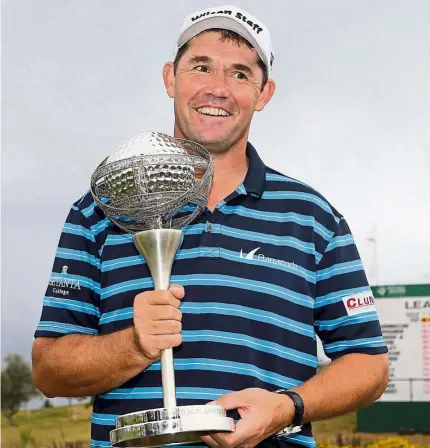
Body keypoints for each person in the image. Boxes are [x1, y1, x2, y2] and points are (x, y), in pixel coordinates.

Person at [32, 5, 388, 448]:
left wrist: (286, 408)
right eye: (201, 67)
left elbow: (369, 365)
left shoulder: (313, 217)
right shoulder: (98, 211)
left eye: (240, 74)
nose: (218, 89)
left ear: (265, 93)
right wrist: (134, 345)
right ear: (170, 78)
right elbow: (49, 370)